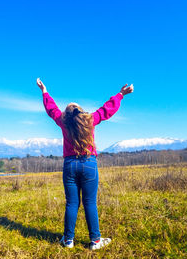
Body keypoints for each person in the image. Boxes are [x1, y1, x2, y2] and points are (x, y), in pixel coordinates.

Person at [37, 78, 133, 250]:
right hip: (89, 163)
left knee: (71, 203)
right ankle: (95, 241)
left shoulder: (63, 121)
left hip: (70, 165)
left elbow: (51, 109)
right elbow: (107, 110)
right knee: (90, 202)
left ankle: (68, 240)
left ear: (66, 114)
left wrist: (44, 91)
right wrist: (121, 94)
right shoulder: (90, 120)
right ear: (81, 111)